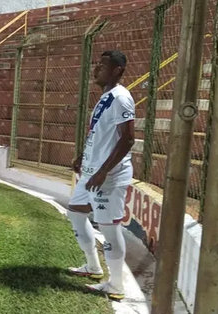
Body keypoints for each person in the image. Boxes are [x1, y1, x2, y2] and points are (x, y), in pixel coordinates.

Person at [67, 50, 135, 300]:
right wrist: (83, 157)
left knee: (109, 228)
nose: (96, 68)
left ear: (117, 70)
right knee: (75, 212)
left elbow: (128, 139)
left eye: (102, 65)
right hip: (91, 172)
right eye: (97, 63)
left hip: (108, 176)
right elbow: (101, 134)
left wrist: (104, 171)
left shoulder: (120, 98)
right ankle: (93, 267)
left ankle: (115, 285)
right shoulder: (106, 97)